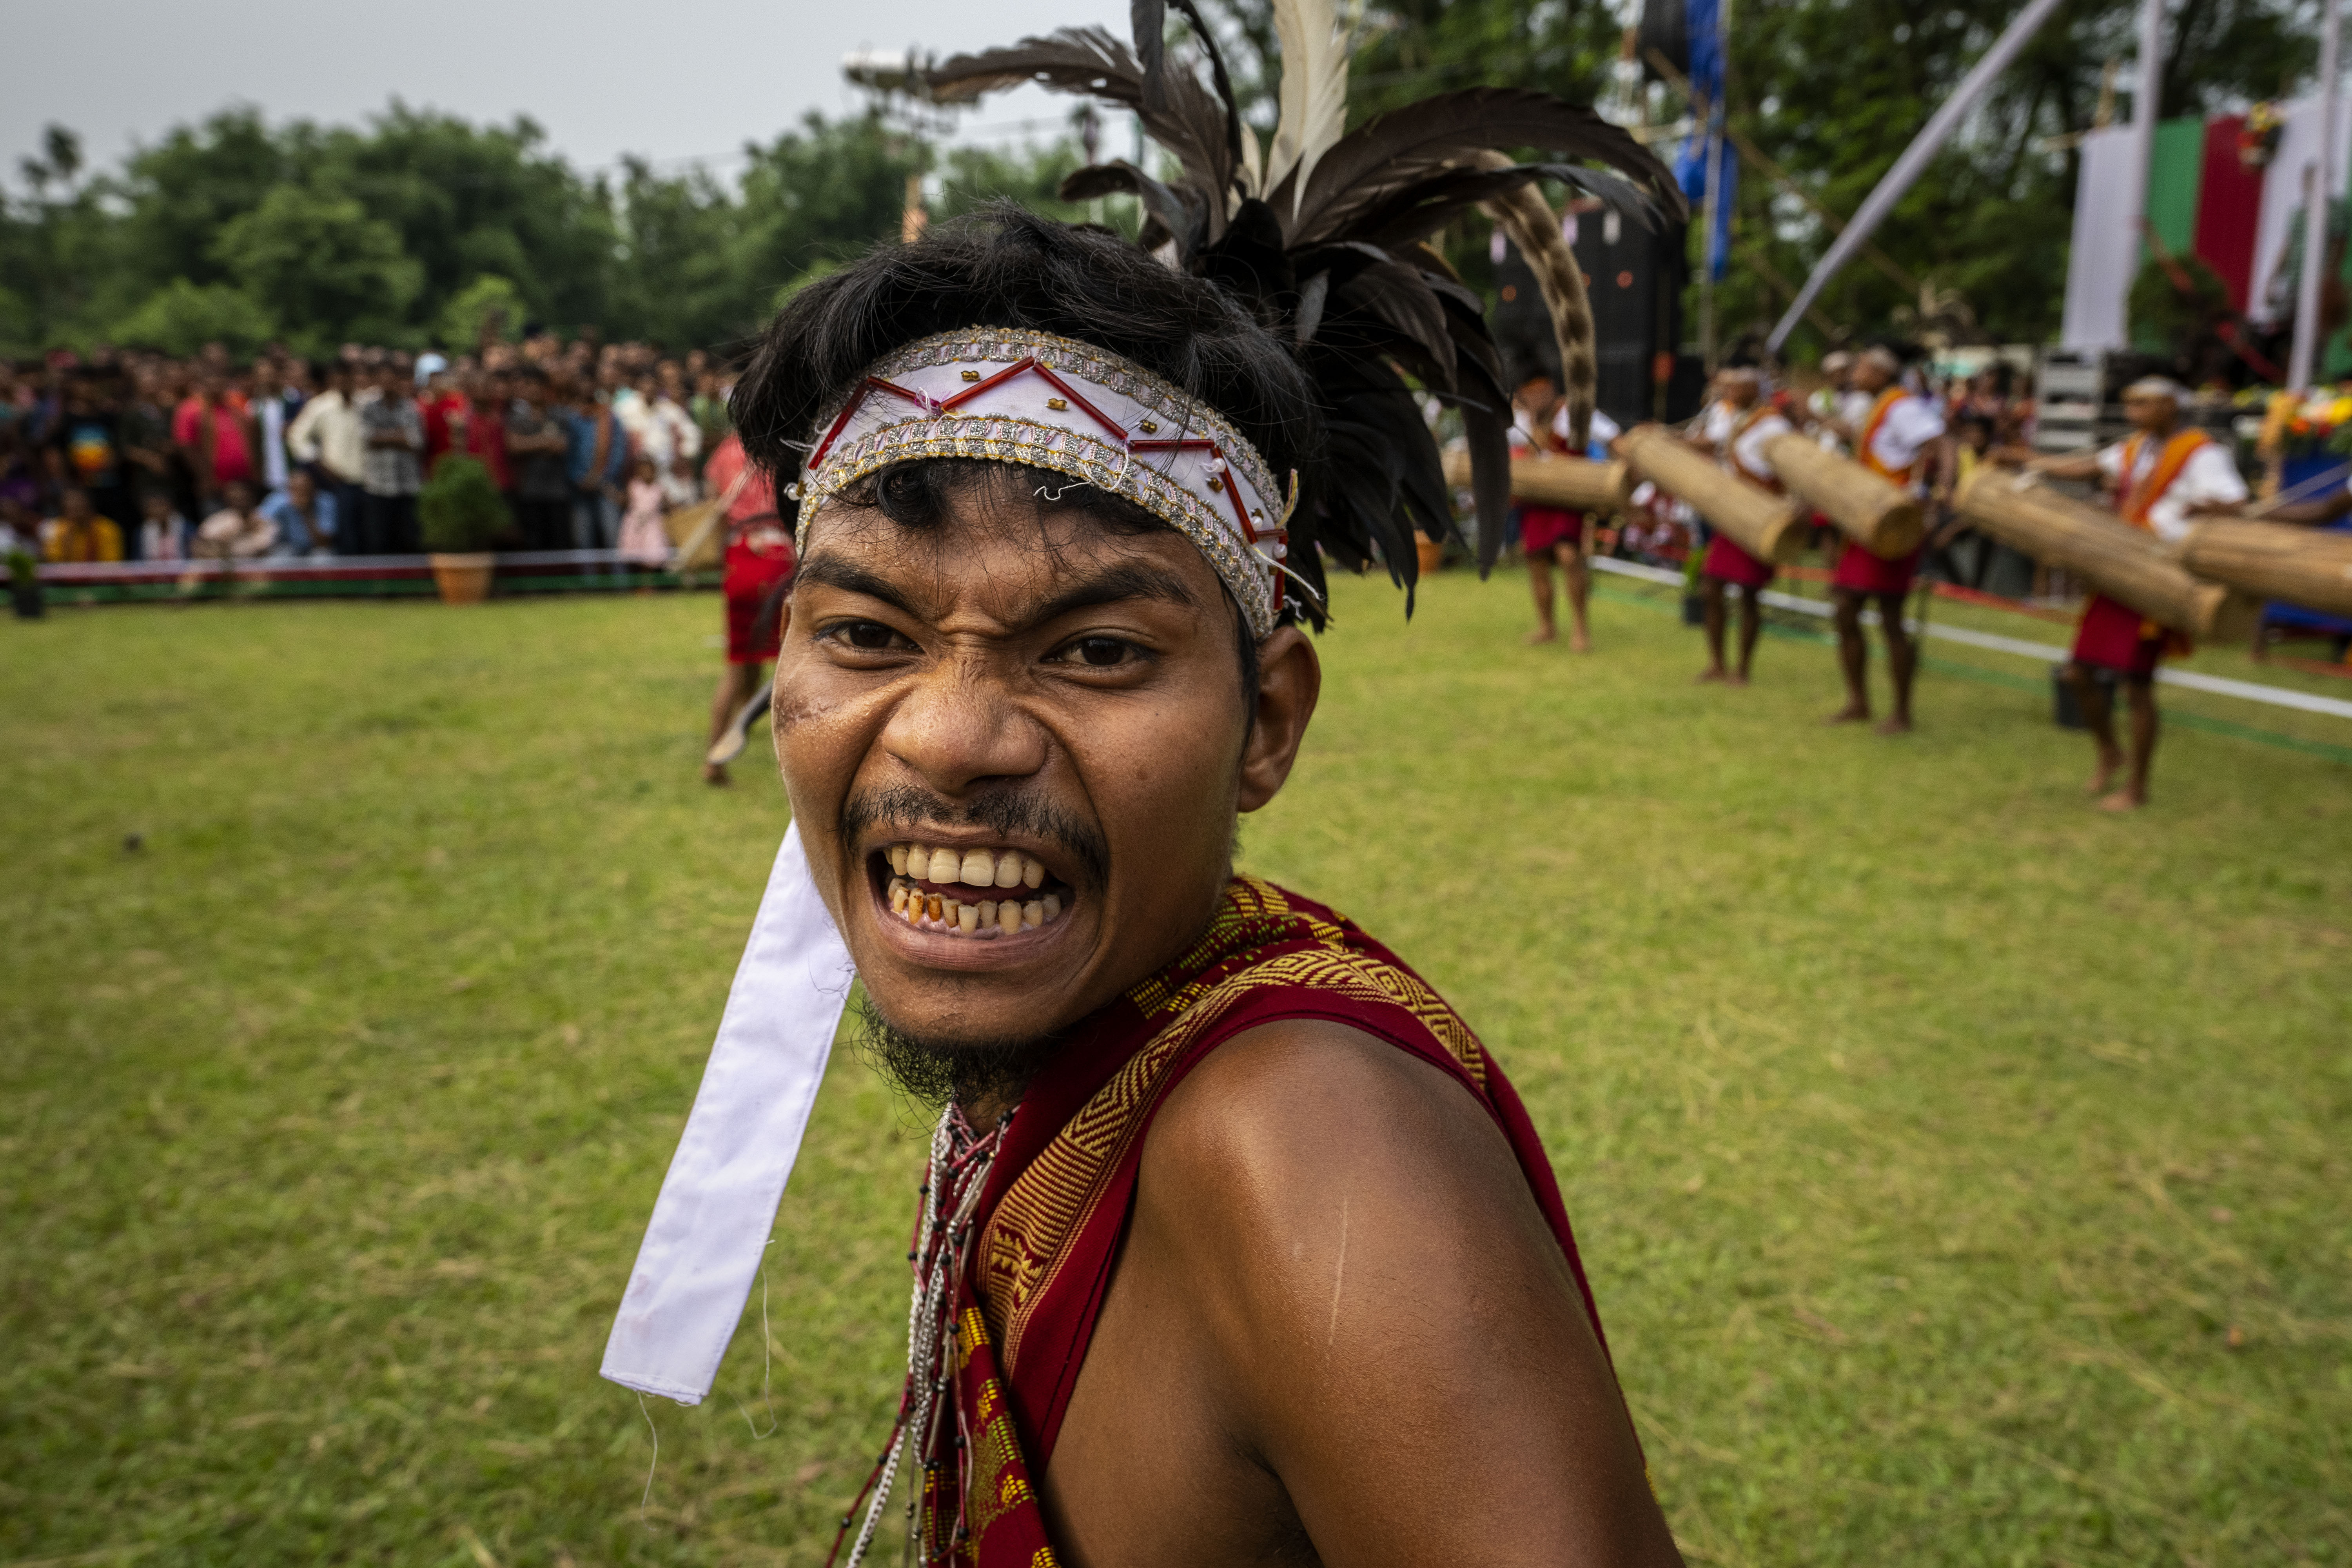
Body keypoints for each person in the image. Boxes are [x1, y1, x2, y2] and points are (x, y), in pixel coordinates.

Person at [610, 202, 1682, 1565]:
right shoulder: (1112, 1049)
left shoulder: (1312, 1159)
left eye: (1100, 650)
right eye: (870, 632)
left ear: (1270, 723)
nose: (948, 737)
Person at [2025, 377, 2249, 810]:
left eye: (2143, 404)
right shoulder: (2136, 447)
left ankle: (2138, 788)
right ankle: (2111, 752)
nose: (2133, 412)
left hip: (2155, 577)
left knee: (2138, 686)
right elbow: (2091, 466)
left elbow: (2236, 500)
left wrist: (2207, 510)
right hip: (2118, 571)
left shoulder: (2202, 452)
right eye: (2130, 404)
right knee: (2078, 674)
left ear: (2170, 405)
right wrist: (2025, 460)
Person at [1822, 345, 1947, 733]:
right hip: (1868, 520)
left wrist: (1930, 493)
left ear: (1880, 372)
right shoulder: (1879, 406)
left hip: (1892, 521)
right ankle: (1859, 701)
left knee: (1890, 618)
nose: (1855, 371)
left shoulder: (1901, 406)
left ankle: (1901, 712)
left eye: (1861, 366)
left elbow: (1936, 444)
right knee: (1846, 609)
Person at [696, 430, 791, 786]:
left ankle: (714, 763)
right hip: (778, 559)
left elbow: (712, 500)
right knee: (790, 670)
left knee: (739, 668)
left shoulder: (726, 450)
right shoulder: (784, 448)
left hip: (739, 558)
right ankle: (795, 768)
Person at [1693, 367, 1793, 684]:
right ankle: (1718, 663)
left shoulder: (1773, 423)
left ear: (1753, 389)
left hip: (1758, 514)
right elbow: (1712, 445)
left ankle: (1743, 669)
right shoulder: (1735, 418)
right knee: (1711, 586)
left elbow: (1788, 465)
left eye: (1737, 388)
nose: (1730, 392)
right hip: (1732, 513)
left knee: (1749, 594)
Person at [1509, 368, 1617, 649]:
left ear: (1552, 388)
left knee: (1569, 556)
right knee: (1537, 562)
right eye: (1529, 393)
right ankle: (1547, 627)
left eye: (1540, 391)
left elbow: (1616, 440)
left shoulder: (1576, 412)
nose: (1535, 397)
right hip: (1536, 499)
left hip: (1568, 498)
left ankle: (1581, 628)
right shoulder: (1520, 420)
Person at [45, 371, 134, 557]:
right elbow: (54, 454)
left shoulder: (110, 418)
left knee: (113, 534)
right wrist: (66, 487)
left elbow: (121, 447)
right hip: (81, 490)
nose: (89, 390)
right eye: (83, 385)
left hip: (112, 489)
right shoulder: (63, 421)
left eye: (93, 385)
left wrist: (114, 460)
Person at [287, 362, 368, 550]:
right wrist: (318, 462)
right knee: (347, 537)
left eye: (346, 377)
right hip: (337, 481)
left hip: (369, 482)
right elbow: (296, 437)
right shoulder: (320, 406)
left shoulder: (366, 403)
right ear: (332, 380)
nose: (343, 382)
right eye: (337, 378)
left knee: (369, 535)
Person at [357, 362, 423, 554]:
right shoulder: (367, 408)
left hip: (407, 486)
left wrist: (382, 436)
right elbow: (368, 439)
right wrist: (399, 435)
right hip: (378, 486)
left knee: (409, 542)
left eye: (391, 378)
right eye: (382, 378)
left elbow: (415, 442)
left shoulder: (411, 407)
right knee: (379, 543)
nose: (387, 383)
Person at [503, 369, 573, 550]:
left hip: (558, 493)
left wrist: (530, 444)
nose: (529, 390)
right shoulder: (516, 417)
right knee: (534, 546)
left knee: (559, 545)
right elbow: (513, 446)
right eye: (526, 385)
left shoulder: (560, 415)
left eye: (534, 385)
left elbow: (562, 445)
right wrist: (544, 442)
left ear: (544, 388)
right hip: (529, 492)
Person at [565, 383, 628, 552]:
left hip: (607, 487)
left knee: (612, 537)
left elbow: (619, 453)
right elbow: (570, 453)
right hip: (580, 488)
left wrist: (599, 479)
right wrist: (579, 478)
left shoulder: (610, 420)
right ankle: (588, 578)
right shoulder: (574, 421)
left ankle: (619, 577)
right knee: (583, 539)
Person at [258, 468, 336, 557]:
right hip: (289, 547)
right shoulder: (280, 499)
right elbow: (257, 520)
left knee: (323, 557)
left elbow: (324, 543)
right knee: (279, 558)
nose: (299, 494)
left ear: (314, 489)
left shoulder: (326, 502)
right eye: (295, 489)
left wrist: (306, 512)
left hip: (317, 548)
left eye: (304, 489)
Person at [40, 485, 123, 563]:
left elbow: (112, 564)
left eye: (79, 506)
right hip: (64, 578)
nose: (76, 512)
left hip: (100, 578)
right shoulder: (54, 529)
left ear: (89, 506)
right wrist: (66, 546)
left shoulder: (108, 529)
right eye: (71, 508)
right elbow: (52, 564)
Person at [617, 452, 669, 564]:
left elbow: (667, 505)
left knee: (652, 556)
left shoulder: (659, 488)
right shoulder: (634, 486)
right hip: (636, 527)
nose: (646, 473)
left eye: (648, 470)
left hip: (652, 528)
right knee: (636, 556)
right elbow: (625, 502)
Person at [136, 490, 191, 562]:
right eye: (154, 506)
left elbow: (193, 555)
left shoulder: (187, 528)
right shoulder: (141, 532)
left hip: (183, 570)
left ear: (171, 506)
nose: (159, 510)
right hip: (152, 571)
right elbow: (137, 560)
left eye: (161, 505)